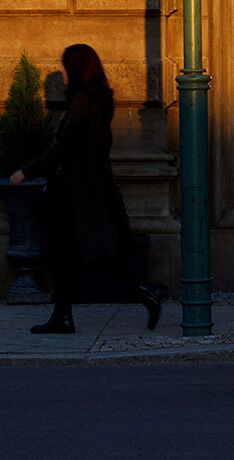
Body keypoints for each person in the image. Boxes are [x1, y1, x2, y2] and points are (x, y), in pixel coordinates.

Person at [8, 44, 161, 334]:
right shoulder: (96, 100)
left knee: (89, 255)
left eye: (66, 66)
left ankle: (143, 290)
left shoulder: (83, 102)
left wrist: (25, 170)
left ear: (77, 69)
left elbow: (64, 148)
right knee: (63, 252)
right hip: (81, 190)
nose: (62, 72)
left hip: (77, 193)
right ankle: (63, 316)